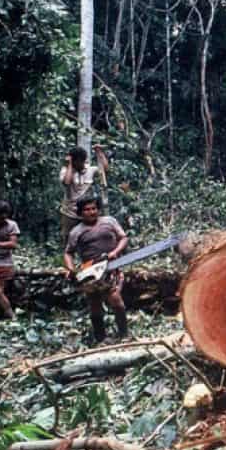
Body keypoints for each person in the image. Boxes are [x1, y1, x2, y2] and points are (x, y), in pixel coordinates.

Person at [64, 196, 129, 344]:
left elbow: (123, 238)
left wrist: (115, 252)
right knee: (94, 304)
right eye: (87, 210)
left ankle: (124, 334)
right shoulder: (76, 232)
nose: (91, 212)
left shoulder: (109, 221)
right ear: (81, 213)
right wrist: (71, 268)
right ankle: (101, 338)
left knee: (116, 300)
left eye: (93, 208)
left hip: (111, 267)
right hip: (90, 271)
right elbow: (68, 252)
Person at [59, 145, 109, 245]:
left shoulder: (89, 170)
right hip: (70, 212)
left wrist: (99, 152)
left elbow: (105, 170)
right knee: (68, 241)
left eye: (80, 161)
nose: (79, 164)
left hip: (86, 212)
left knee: (90, 238)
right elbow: (67, 182)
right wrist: (70, 165)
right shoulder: (66, 171)